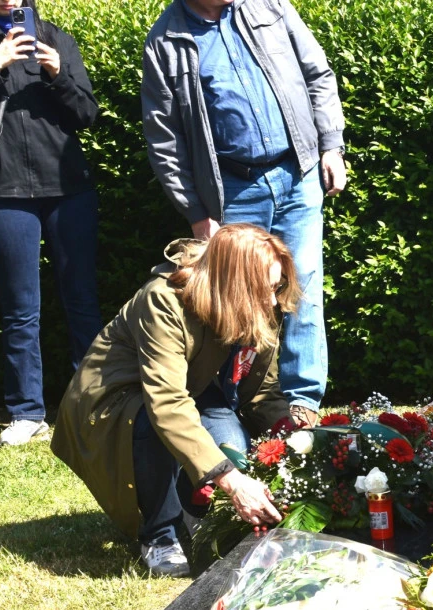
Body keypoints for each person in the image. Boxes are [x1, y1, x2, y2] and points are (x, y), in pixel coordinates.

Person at [141, 0, 346, 430]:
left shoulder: (270, 6)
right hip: (231, 189)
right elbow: (165, 138)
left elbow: (318, 75)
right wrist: (196, 211)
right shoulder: (165, 39)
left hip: (298, 172)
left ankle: (302, 405)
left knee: (303, 289)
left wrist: (331, 145)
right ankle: (235, 407)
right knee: (234, 301)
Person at [51, 225, 293, 578]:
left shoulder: (258, 301)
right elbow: (166, 402)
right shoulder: (163, 299)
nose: (272, 301)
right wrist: (232, 481)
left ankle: (185, 517)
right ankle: (159, 534)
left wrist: (300, 438)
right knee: (155, 427)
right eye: (265, 290)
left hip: (188, 390)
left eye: (277, 287)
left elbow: (261, 393)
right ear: (234, 284)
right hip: (114, 403)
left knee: (231, 445)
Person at [0, 0, 100, 448]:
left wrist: (58, 73)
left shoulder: (54, 35)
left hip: (68, 188)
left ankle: (96, 404)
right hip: (2, 190)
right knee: (20, 307)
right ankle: (27, 412)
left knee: (82, 298)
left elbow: (87, 113)